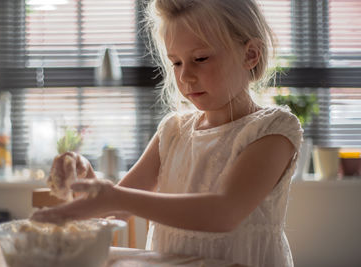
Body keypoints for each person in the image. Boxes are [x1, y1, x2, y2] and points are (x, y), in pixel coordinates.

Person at [31, 0, 303, 266]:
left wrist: (115, 196)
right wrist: (85, 180)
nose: (186, 76)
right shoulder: (172, 132)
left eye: (200, 58)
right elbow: (117, 209)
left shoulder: (272, 130)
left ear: (250, 54)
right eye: (176, 63)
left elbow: (225, 212)